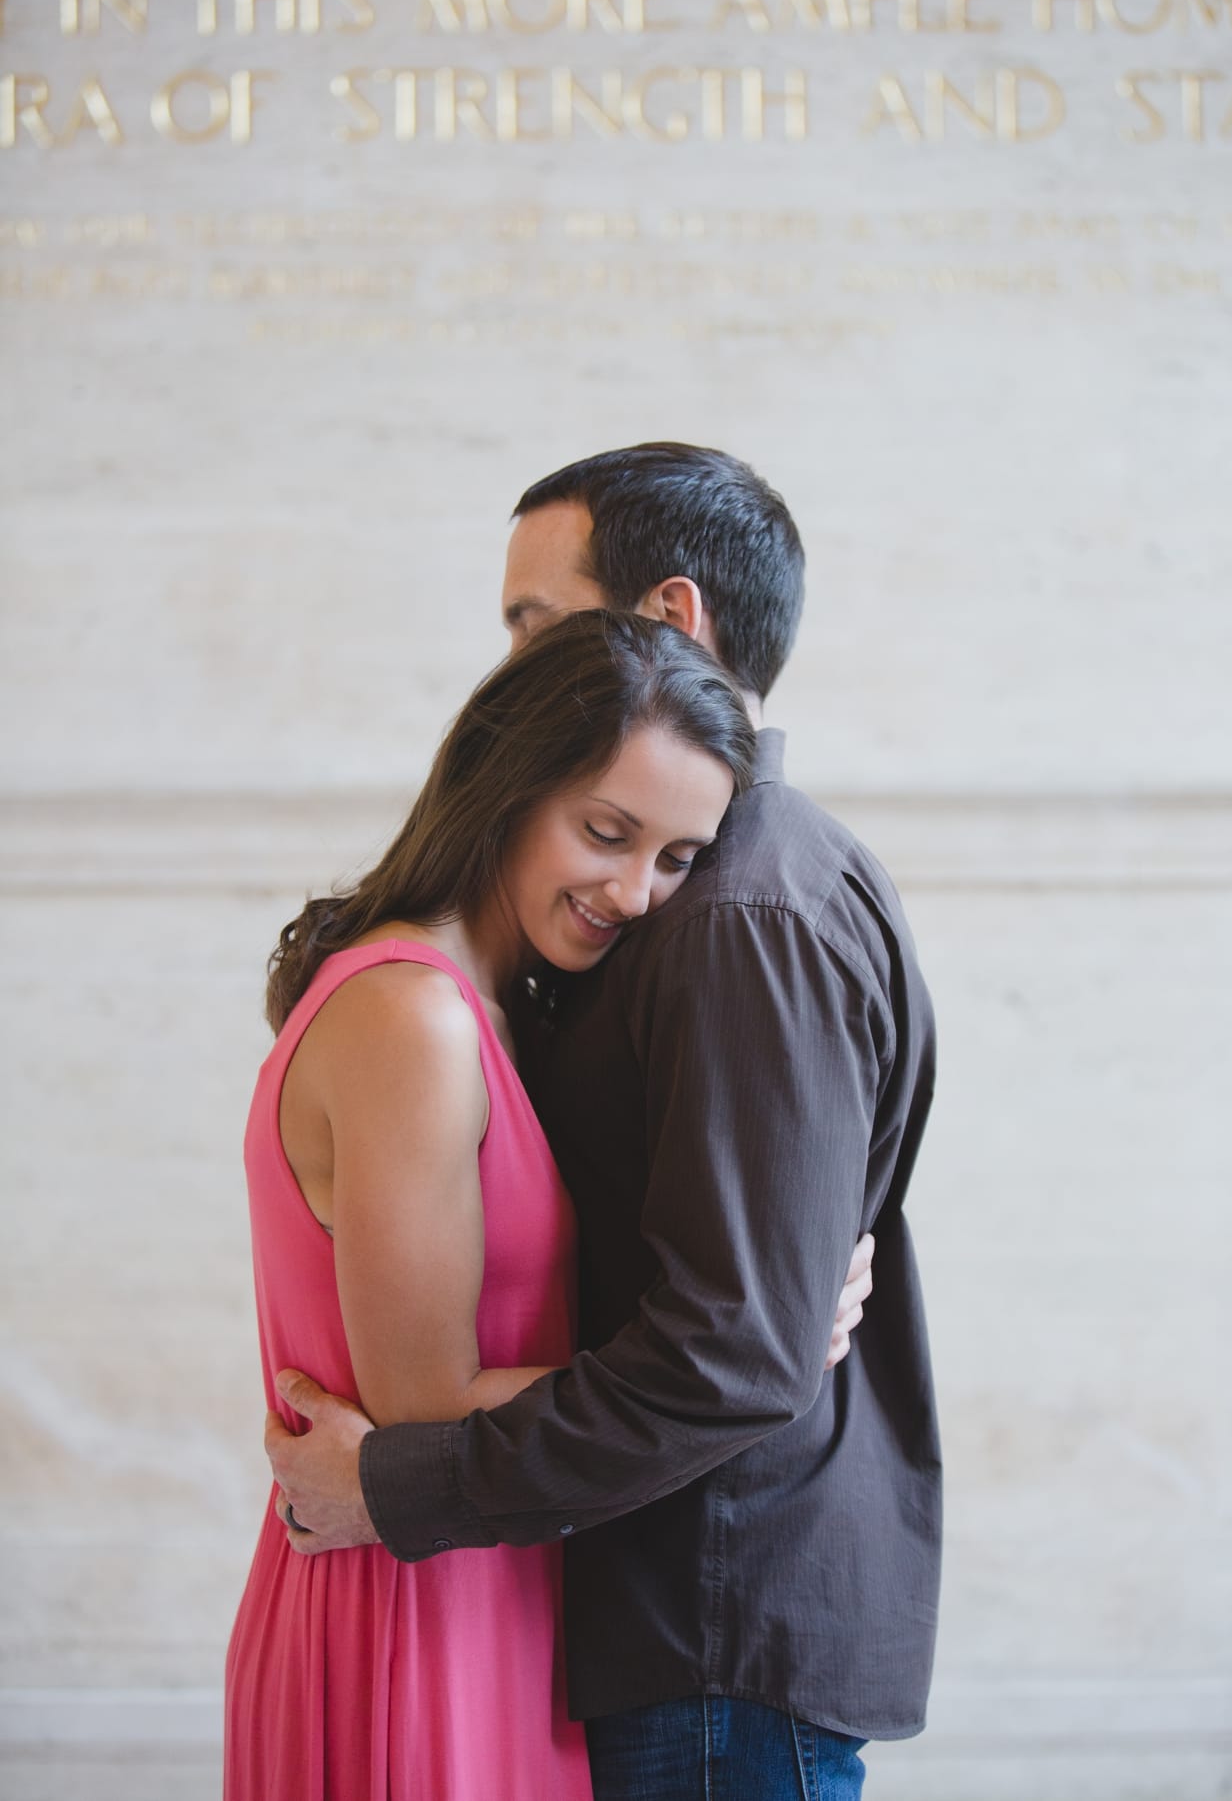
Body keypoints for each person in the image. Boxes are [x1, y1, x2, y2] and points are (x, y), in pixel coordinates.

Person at [266, 443, 940, 1801]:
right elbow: (744, 1327)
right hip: (652, 1613)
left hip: (708, 1623)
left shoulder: (738, 914)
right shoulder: (688, 903)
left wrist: (395, 1481)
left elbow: (732, 1354)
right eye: (612, 836)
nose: (506, 666)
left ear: (667, 623)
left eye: (533, 623)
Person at [224, 610, 758, 1800]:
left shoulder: (491, 1009)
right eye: (606, 832)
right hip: (407, 1616)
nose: (635, 890)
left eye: (676, 858)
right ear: (505, 785)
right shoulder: (410, 1016)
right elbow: (422, 1405)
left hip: (487, 1587)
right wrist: (743, 1356)